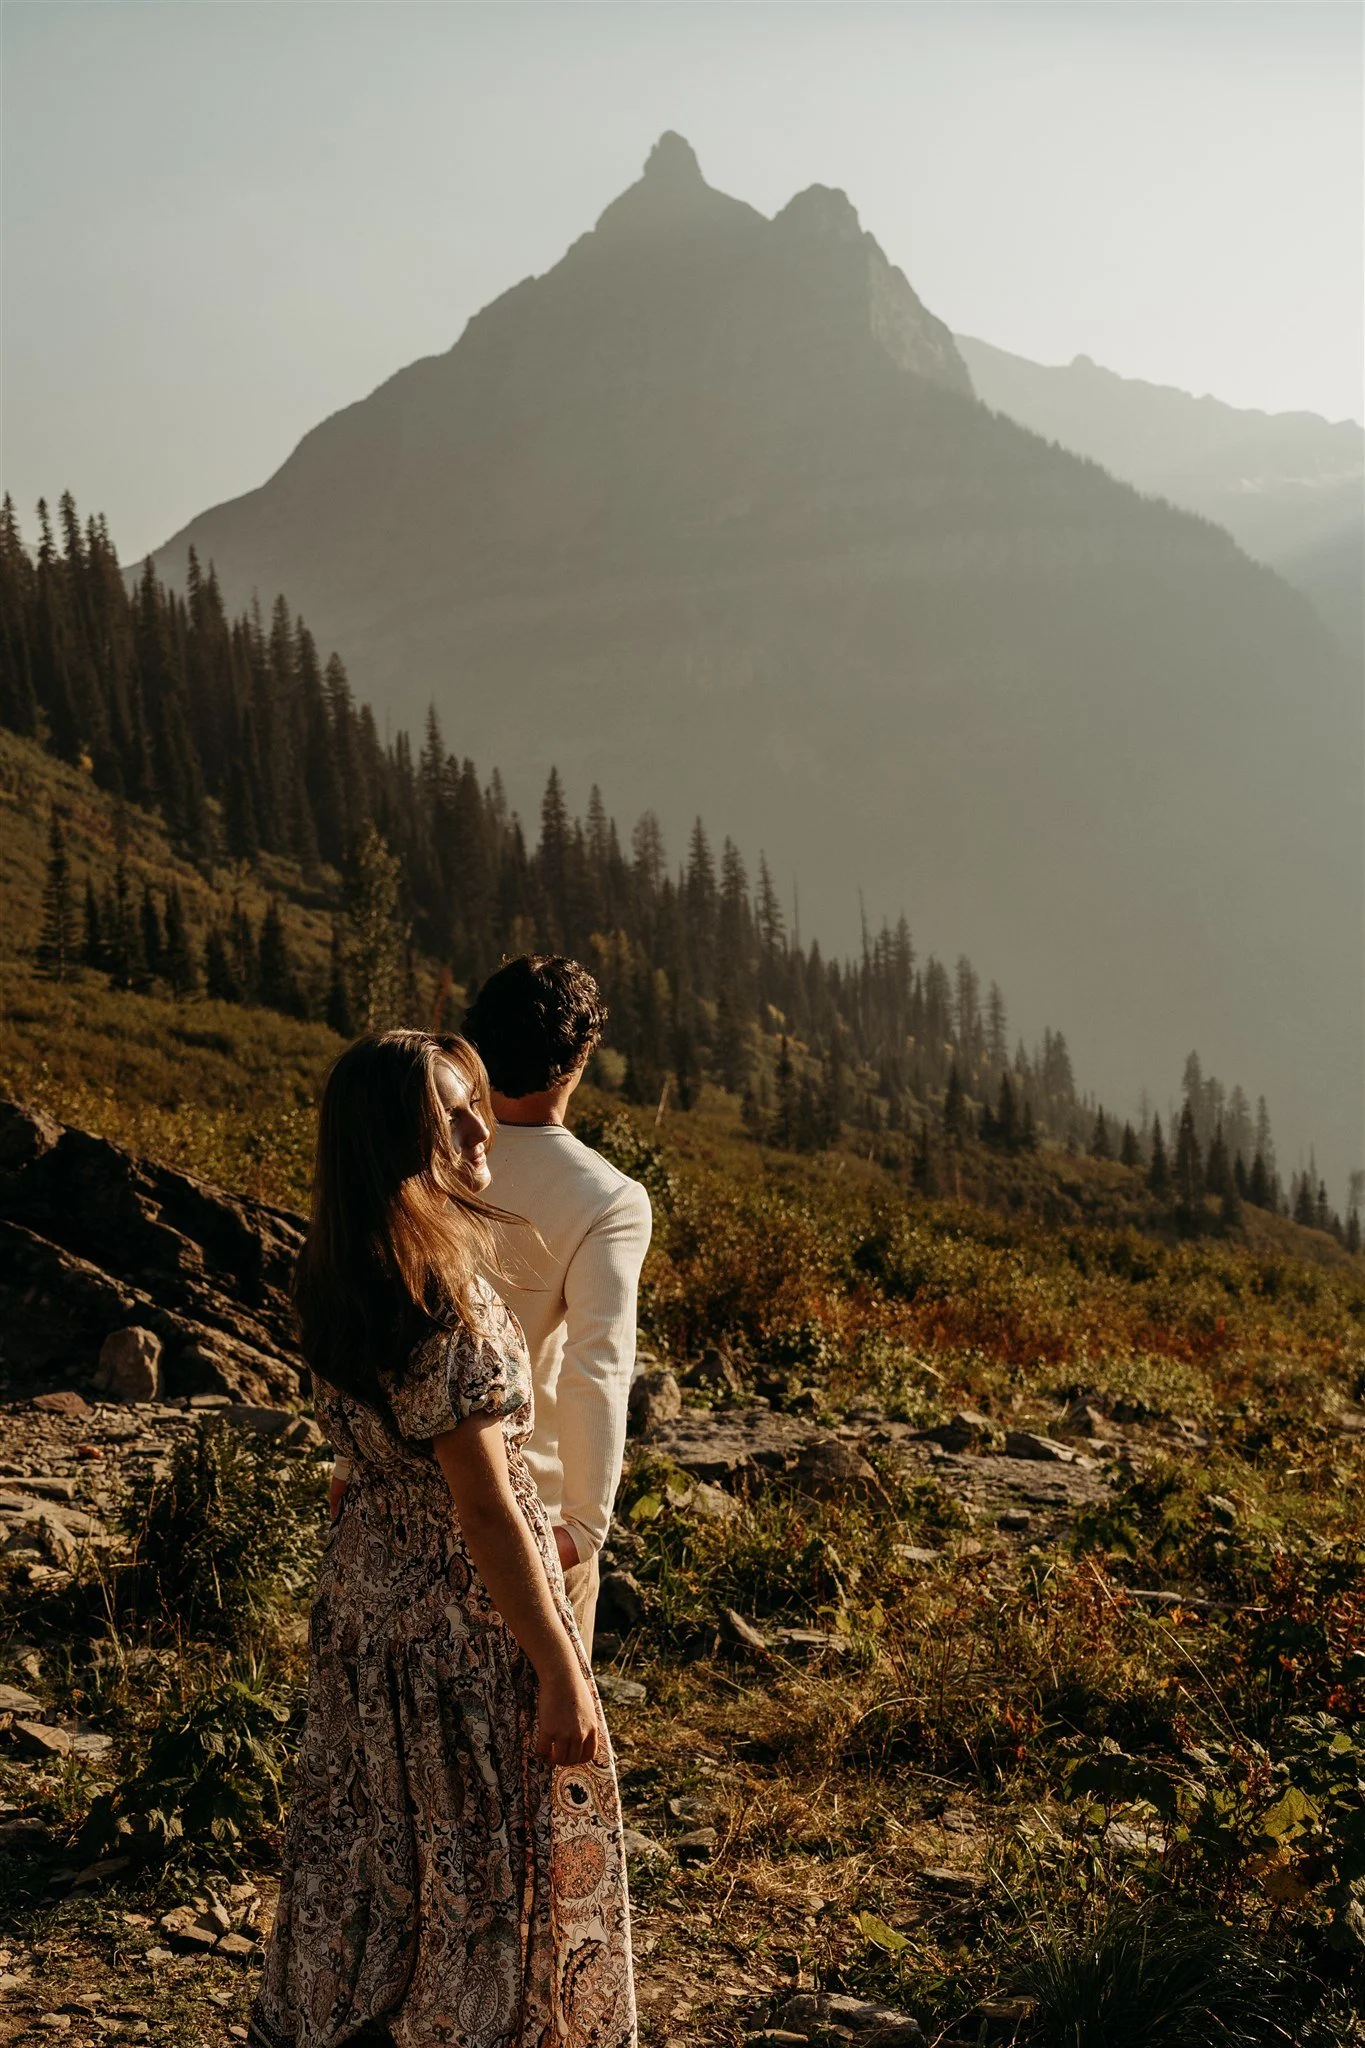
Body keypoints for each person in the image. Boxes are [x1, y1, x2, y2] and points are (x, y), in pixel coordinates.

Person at [249, 1030, 636, 2048]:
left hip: (365, 1606)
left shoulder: (339, 1270)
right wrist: (560, 1664)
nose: (482, 1127)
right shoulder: (444, 1301)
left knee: (376, 1838)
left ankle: (345, 2012)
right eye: (451, 1114)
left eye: (477, 1103)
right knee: (476, 1853)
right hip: (459, 1625)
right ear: (395, 1140)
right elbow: (485, 1507)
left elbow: (372, 1450)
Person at [462, 956, 652, 1660]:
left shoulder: (420, 1159)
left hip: (395, 1509)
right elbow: (595, 1367)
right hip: (527, 1509)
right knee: (543, 1737)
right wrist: (585, 1525)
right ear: (580, 1057)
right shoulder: (607, 1199)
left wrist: (345, 1477)